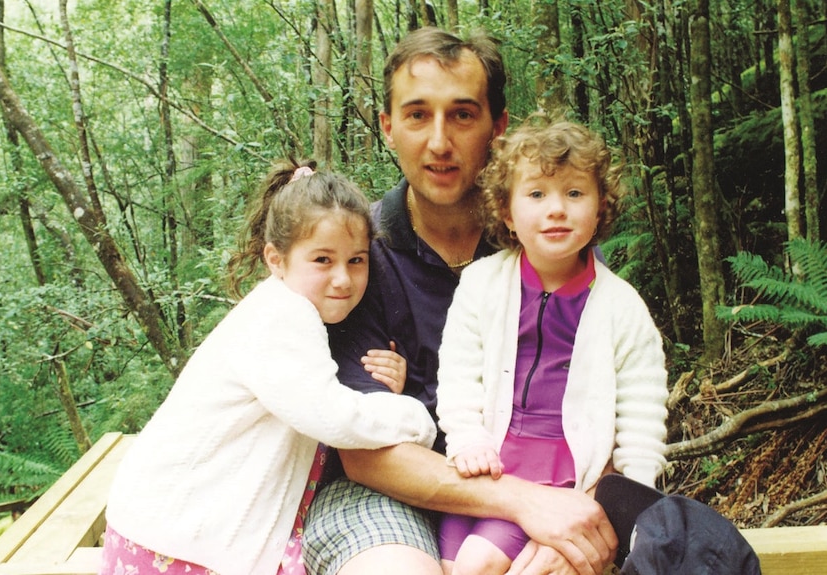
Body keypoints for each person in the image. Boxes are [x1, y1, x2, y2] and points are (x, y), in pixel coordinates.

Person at [303, 28, 617, 575]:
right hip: (383, 493)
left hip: (537, 478)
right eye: (418, 115)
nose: (440, 142)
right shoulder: (354, 257)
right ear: (388, 128)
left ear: (498, 128)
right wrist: (525, 503)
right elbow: (365, 456)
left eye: (463, 115)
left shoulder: (548, 245)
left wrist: (582, 508)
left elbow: (608, 405)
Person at [99, 160, 438, 575]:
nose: (342, 279)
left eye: (356, 261)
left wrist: (385, 386)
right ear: (276, 259)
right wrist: (413, 417)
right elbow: (330, 416)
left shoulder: (288, 309)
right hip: (176, 536)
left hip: (181, 528)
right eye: (322, 260)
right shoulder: (281, 318)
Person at [434, 120, 669, 575]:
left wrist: (626, 505)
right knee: (447, 564)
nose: (556, 209)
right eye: (537, 194)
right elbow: (459, 371)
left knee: (477, 566)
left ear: (601, 208)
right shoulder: (482, 283)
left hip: (562, 474)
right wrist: (466, 437)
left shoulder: (622, 307)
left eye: (575, 194)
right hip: (484, 466)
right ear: (506, 212)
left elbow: (643, 415)